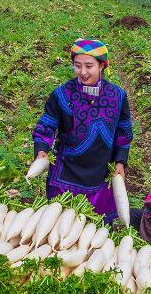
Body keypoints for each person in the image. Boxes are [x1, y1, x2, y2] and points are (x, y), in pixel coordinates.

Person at [32, 38, 133, 222]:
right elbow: (46, 127)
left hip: (99, 175)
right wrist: (41, 151)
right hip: (65, 175)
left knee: (94, 229)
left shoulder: (117, 96)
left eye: (89, 66)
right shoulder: (62, 94)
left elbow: (123, 133)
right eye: (77, 66)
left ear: (101, 65)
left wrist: (120, 161)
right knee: (60, 226)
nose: (83, 72)